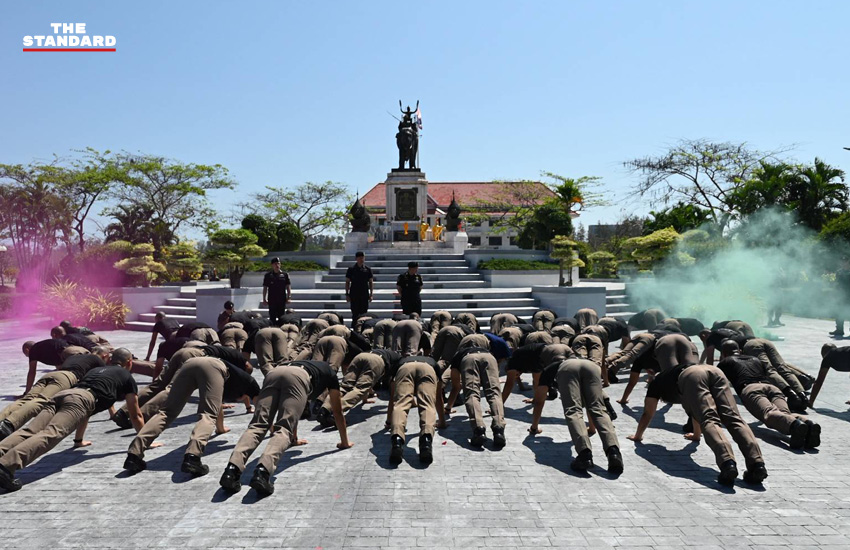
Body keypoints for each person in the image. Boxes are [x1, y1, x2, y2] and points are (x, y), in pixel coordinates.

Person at [0, 348, 144, 492]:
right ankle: (5, 466)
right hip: (82, 399)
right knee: (52, 434)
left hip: (64, 394)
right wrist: (144, 439)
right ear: (129, 362)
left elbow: (85, 414)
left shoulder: (97, 370)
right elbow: (135, 414)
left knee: (30, 430)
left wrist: (78, 440)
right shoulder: (126, 376)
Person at [219, 360, 353, 495]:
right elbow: (337, 411)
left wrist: (295, 440)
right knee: (284, 429)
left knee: (258, 424)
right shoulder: (330, 374)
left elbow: (294, 410)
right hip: (299, 377)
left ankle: (231, 470)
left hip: (274, 373)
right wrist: (344, 442)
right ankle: (262, 472)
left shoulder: (311, 365)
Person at [123, 347, 256, 476]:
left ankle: (134, 454)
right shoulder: (251, 383)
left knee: (166, 412)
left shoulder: (233, 374)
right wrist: (272, 428)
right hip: (212, 365)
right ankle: (193, 457)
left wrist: (220, 429)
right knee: (208, 415)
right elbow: (263, 407)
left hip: (190, 362)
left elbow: (218, 405)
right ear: (244, 394)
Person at [717, 341, 819, 449]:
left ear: (723, 353)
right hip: (772, 388)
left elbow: (718, 386)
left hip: (751, 389)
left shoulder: (726, 362)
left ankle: (794, 425)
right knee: (784, 413)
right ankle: (809, 425)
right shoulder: (755, 359)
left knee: (769, 414)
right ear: (740, 350)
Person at [528, 358, 623, 473]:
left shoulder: (548, 370)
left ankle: (584, 455)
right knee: (599, 410)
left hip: (568, 369)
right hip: (591, 366)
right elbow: (594, 399)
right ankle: (614, 453)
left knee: (573, 410)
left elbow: (539, 402)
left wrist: (534, 427)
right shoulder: (567, 360)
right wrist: (592, 427)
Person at [0, 347, 111, 441]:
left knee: (25, 400)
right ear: (105, 355)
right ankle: (8, 425)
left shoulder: (74, 357)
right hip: (67, 377)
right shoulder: (98, 361)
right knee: (41, 401)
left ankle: (2, 419)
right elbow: (101, 382)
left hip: (51, 375)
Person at [386, 355, 445, 465]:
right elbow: (438, 396)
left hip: (404, 368)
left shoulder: (401, 360)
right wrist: (442, 421)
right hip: (428, 368)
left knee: (401, 404)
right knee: (427, 404)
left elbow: (393, 397)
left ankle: (397, 440)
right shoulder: (432, 361)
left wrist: (389, 421)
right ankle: (426, 441)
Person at [262, 257, 292, 326]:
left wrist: (289, 297)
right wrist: (264, 298)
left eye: (278, 263)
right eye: (275, 264)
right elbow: (265, 287)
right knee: (272, 317)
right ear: (272, 265)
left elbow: (288, 286)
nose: (277, 265)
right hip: (272, 299)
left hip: (281, 299)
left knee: (281, 317)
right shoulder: (268, 275)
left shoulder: (285, 274)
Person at [345, 251, 374, 319]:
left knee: (364, 313)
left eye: (363, 258)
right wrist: (347, 294)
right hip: (354, 294)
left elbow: (371, 282)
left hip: (364, 293)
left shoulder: (367, 269)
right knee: (355, 313)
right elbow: (347, 282)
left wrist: (371, 294)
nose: (362, 259)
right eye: (360, 258)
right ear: (356, 258)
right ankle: (355, 328)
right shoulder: (351, 269)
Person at [830, 258, 850, 337]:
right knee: (839, 313)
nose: (844, 263)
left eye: (846, 262)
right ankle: (839, 330)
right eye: (843, 262)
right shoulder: (839, 272)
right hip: (840, 295)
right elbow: (837, 284)